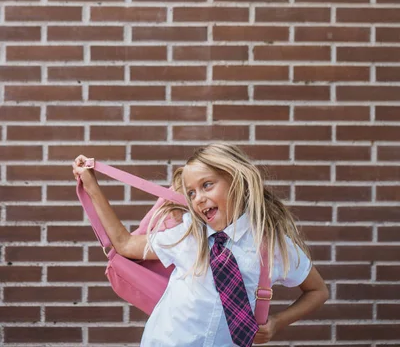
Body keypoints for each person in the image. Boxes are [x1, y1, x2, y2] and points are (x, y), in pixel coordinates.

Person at [72, 142, 328, 347]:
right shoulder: (187, 236)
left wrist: (277, 323)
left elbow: (318, 291)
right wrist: (92, 185)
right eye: (191, 193)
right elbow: (125, 244)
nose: (199, 199)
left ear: (236, 180)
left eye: (207, 185)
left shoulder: (272, 244)